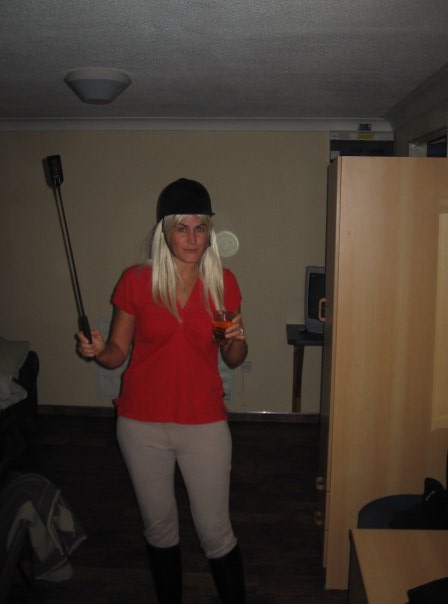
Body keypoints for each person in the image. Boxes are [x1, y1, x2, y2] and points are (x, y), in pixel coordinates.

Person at [77, 178, 248, 604]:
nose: (192, 238)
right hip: (140, 424)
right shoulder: (136, 281)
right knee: (159, 529)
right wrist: (98, 351)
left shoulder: (222, 282)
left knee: (216, 532)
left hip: (204, 422)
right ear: (165, 232)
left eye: (200, 228)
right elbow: (117, 353)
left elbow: (234, 356)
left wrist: (236, 339)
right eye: (181, 228)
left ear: (209, 232)